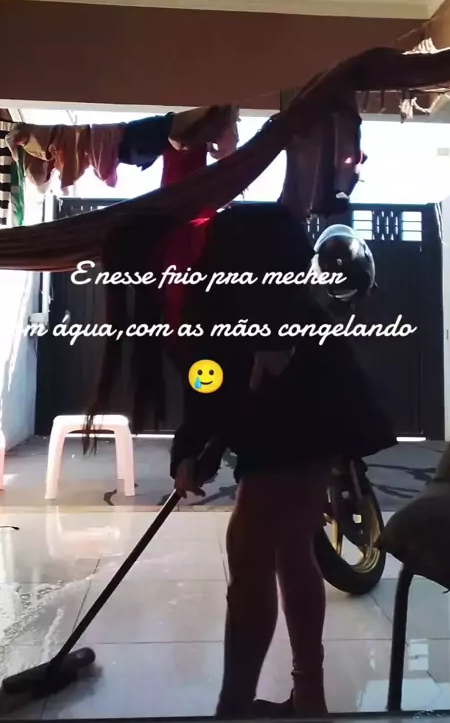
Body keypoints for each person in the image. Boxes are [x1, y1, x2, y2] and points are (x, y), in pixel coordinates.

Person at [169, 202, 396, 718]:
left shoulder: (238, 245)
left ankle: (235, 707)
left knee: (251, 550)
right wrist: (189, 447)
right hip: (298, 404)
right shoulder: (202, 282)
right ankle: (307, 698)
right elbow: (206, 371)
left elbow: (285, 275)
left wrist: (274, 339)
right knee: (292, 549)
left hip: (306, 402)